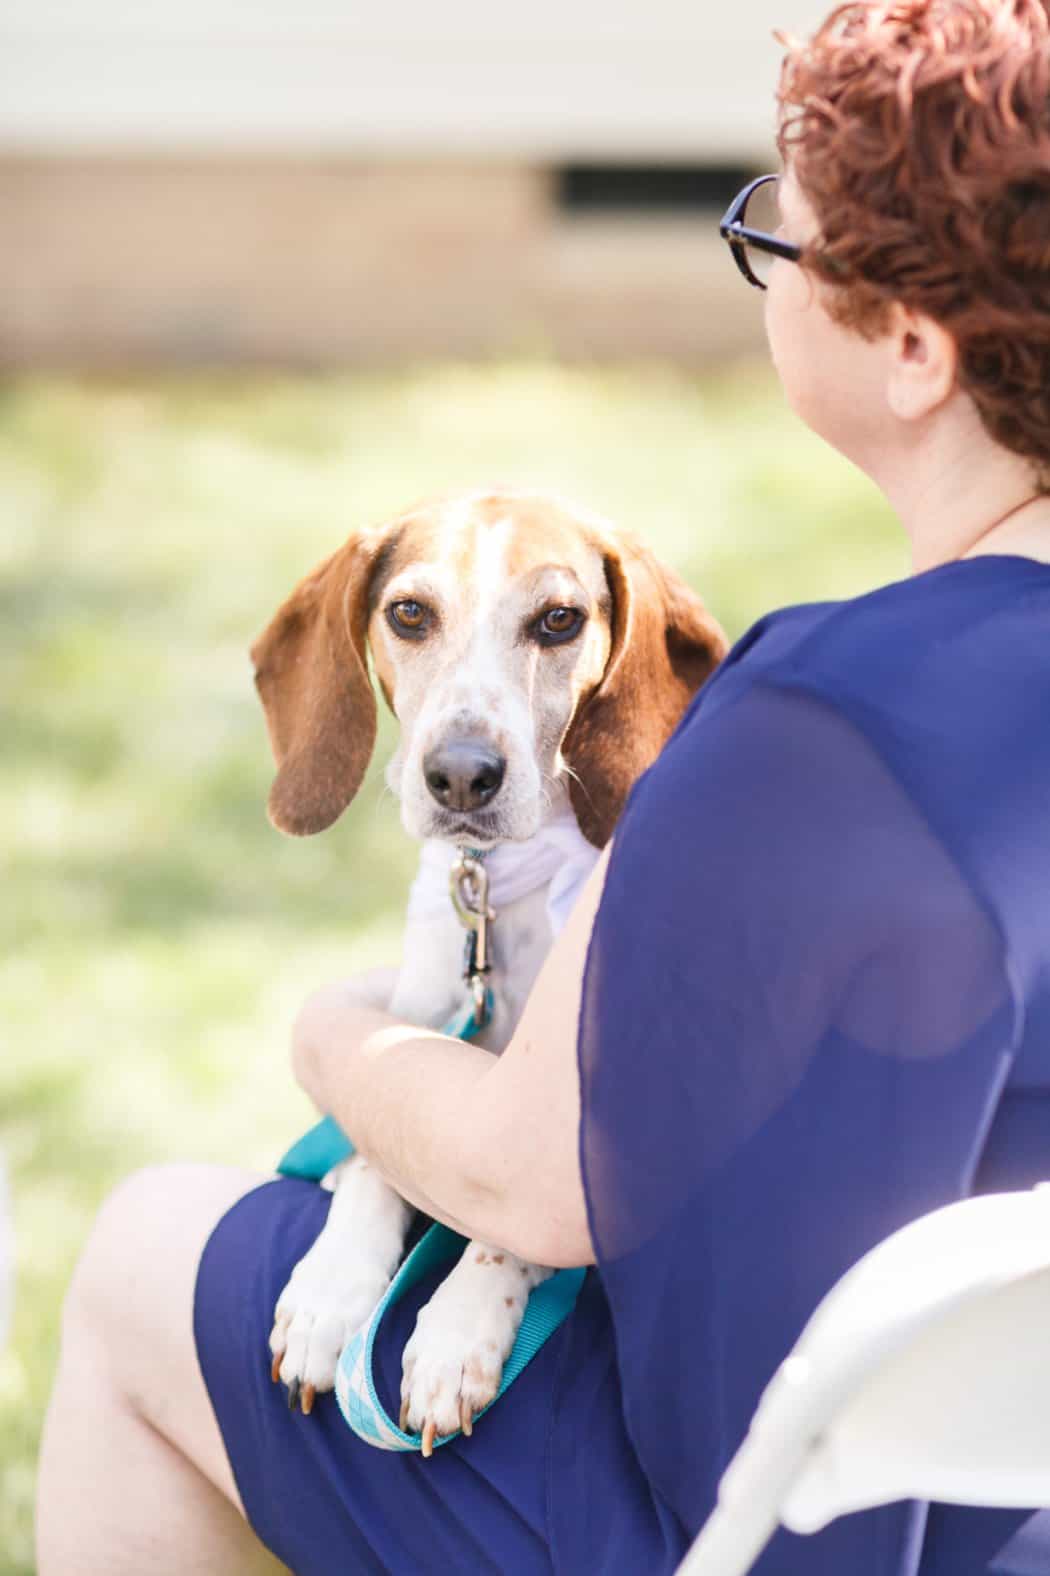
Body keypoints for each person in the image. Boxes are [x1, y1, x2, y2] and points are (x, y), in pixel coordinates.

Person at [36, 2, 1050, 1572]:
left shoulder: (809, 727)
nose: (763, 266)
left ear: (911, 350)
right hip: (1011, 1507)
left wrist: (337, 1034)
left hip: (754, 1511)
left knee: (134, 1256)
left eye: (777, 241)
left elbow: (534, 1176)